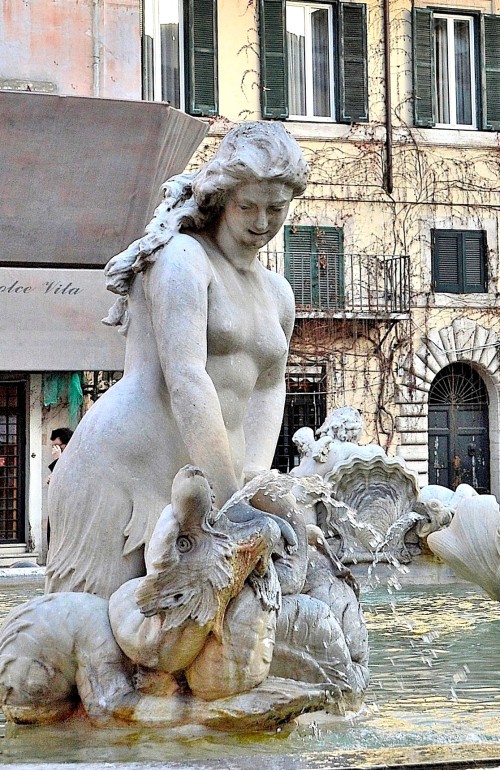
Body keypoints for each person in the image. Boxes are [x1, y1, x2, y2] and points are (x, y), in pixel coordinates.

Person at [46, 121, 309, 598]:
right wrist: (231, 500)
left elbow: (269, 387)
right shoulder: (184, 259)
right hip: (125, 473)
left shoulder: (278, 293)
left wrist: (249, 482)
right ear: (223, 199)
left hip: (210, 482)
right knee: (88, 627)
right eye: (248, 206)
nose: (262, 222)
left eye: (276, 208)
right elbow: (186, 377)